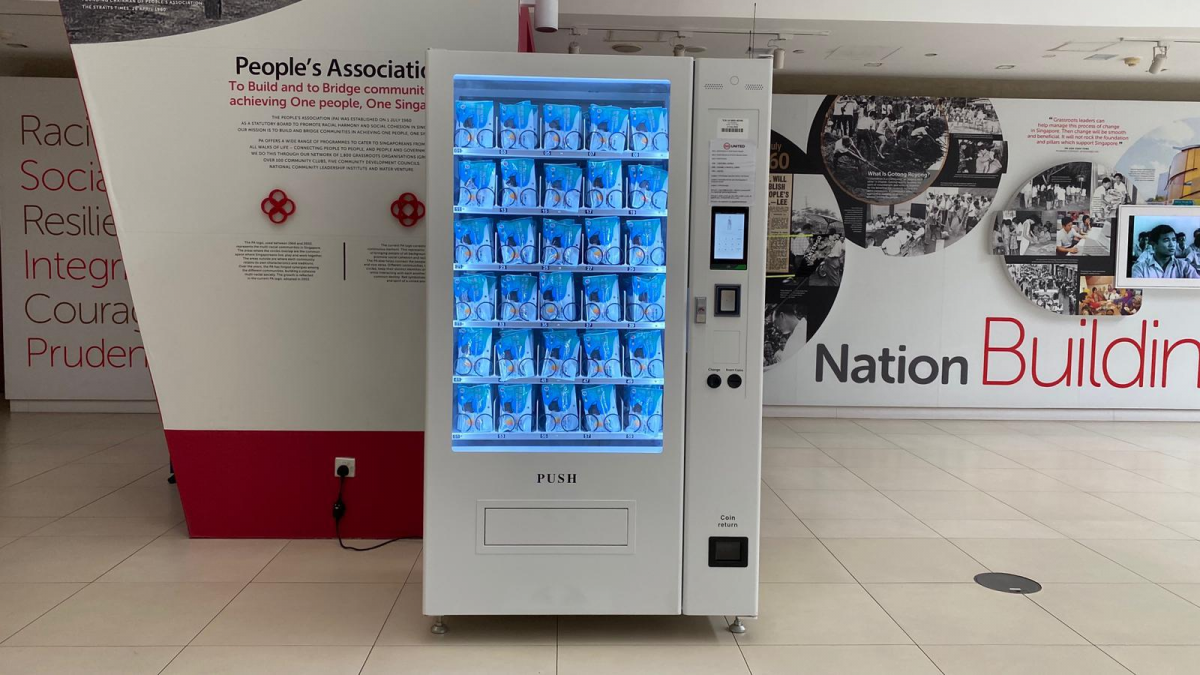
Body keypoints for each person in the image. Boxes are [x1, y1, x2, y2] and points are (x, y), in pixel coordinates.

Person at [1133, 224, 1200, 278]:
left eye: (1174, 240)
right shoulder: (1140, 269)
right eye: (1166, 240)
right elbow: (1138, 293)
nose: (1172, 244)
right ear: (1154, 244)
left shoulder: (1184, 267)